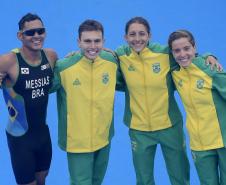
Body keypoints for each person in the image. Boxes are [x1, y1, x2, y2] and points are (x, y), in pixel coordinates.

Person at [114, 17, 219, 185]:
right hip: (139, 130)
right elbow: (99, 56)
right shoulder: (121, 56)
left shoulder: (164, 54)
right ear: (125, 37)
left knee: (179, 177)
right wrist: (78, 53)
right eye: (132, 34)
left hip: (169, 126)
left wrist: (209, 55)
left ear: (149, 35)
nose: (137, 38)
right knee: (143, 179)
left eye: (142, 33)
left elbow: (187, 56)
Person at [51, 19, 123, 185]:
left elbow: (128, 82)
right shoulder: (64, 67)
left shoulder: (112, 62)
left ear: (104, 42)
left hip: (104, 137)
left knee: (97, 181)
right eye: (87, 41)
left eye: (97, 41)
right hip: (77, 141)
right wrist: (10, 79)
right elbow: (41, 88)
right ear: (79, 42)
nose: (92, 46)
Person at [0, 13, 57, 185]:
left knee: (42, 179)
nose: (37, 36)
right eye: (30, 33)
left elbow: (73, 65)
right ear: (20, 36)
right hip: (20, 138)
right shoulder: (8, 61)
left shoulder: (51, 56)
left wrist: (105, 52)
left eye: (40, 31)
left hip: (42, 134)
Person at [168, 29, 226, 185]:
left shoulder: (209, 69)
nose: (182, 54)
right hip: (199, 144)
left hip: (224, 140)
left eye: (186, 48)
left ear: (194, 47)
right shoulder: (175, 73)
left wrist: (209, 56)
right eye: (177, 50)